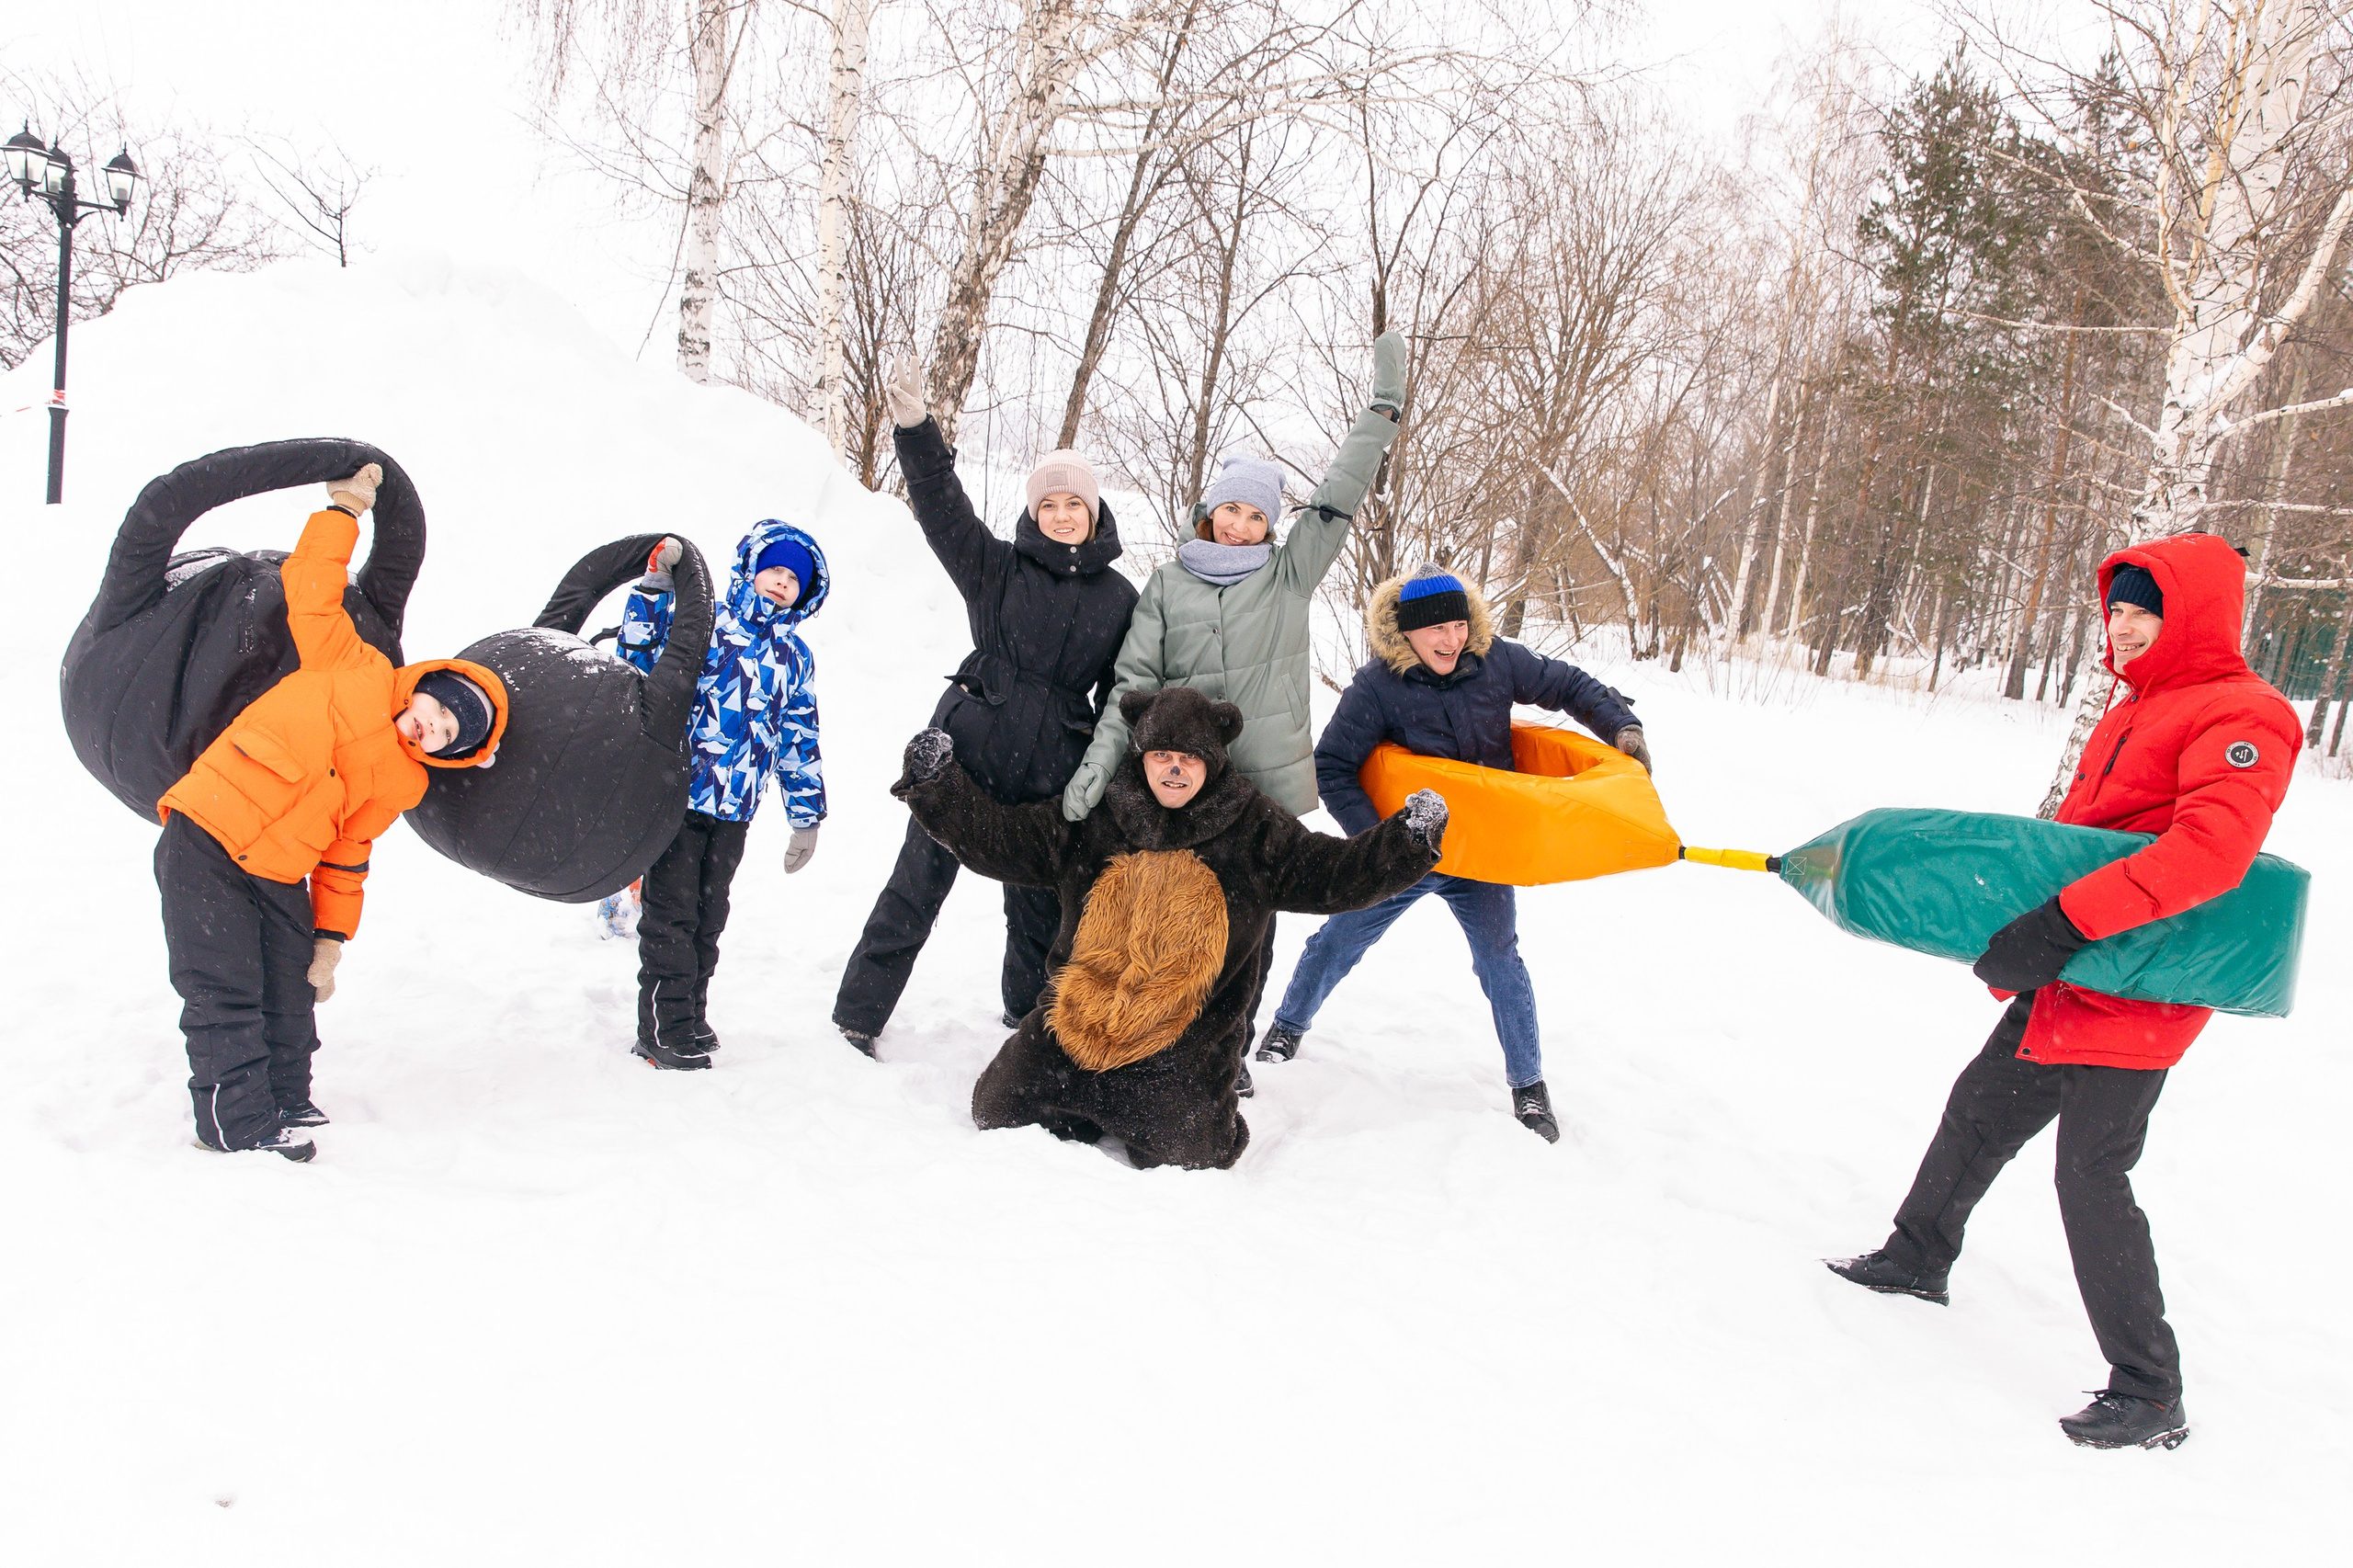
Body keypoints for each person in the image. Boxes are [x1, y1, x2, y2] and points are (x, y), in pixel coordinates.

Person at [1825, 533, 2302, 1450]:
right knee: (1978, 1108)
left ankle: (2149, 1388)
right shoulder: (2137, 706)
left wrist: (2062, 924)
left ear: (2188, 615)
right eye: (2114, 610)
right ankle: (1917, 1254)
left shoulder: (2245, 713)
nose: (2119, 628)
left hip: (2138, 984)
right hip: (2075, 970)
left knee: (2091, 1171)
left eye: (2140, 610)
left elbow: (2208, 853)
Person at [893, 687, 1447, 1169]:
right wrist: (938, 787)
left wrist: (1405, 842)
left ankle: (1172, 1108)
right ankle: (1081, 1097)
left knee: (1193, 1157)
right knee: (994, 1110)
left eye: (1189, 757)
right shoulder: (1097, 816)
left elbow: (1334, 873)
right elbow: (1006, 841)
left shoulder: (1254, 829)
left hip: (1179, 1053)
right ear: (1143, 757)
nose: (1174, 768)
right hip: (1072, 1029)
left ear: (1213, 761)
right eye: (1162, 755)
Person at [1062, 329, 1407, 1080]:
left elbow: (1340, 496)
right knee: (1175, 907)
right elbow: (1132, 683)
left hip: (1264, 782)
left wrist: (1383, 410)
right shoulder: (1167, 585)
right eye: (1231, 512)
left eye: (1257, 516)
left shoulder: (1288, 575)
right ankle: (1156, 1025)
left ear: (1270, 524)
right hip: (1183, 781)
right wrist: (1100, 767)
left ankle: (1231, 1044)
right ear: (1208, 511)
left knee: (1254, 918)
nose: (1242, 525)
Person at [154, 464, 508, 1160]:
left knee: (289, 987)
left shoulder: (403, 783)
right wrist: (345, 511)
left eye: (443, 736)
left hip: (281, 872)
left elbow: (348, 854)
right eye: (434, 711)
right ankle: (236, 1123)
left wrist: (331, 939)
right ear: (424, 687)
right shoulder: (353, 666)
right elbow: (312, 589)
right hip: (208, 831)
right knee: (223, 986)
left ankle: (287, 1096)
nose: (427, 729)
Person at [1256, 564, 1647, 1142]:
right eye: (1436, 629)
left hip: (1482, 854)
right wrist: (1382, 843)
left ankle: (1529, 1086)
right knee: (1339, 940)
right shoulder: (1378, 686)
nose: (1452, 639)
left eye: (1459, 624)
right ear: (1408, 633)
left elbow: (1566, 684)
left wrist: (1622, 726)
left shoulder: (1497, 663)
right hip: (1409, 856)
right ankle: (1286, 1027)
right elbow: (1333, 766)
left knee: (1501, 961)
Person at [832, 354, 1139, 1056]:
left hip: (1050, 775)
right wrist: (916, 432)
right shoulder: (995, 567)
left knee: (1036, 907)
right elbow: (942, 507)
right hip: (966, 756)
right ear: (1035, 512)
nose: (1062, 515)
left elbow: (1127, 687)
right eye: (1049, 504)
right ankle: (859, 1015)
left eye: (1075, 504)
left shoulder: (1122, 599)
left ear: (1094, 513)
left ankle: (1022, 1016)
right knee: (916, 886)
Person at [617, 521, 828, 1069]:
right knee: (671, 914)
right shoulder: (708, 621)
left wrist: (806, 816)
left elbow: (798, 736)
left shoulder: (795, 657)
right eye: (775, 570)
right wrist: (655, 594)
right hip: (679, 798)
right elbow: (639, 659)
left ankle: (690, 1012)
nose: (782, 582)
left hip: (736, 811)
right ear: (753, 570)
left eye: (794, 579)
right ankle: (661, 1029)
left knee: (710, 915)